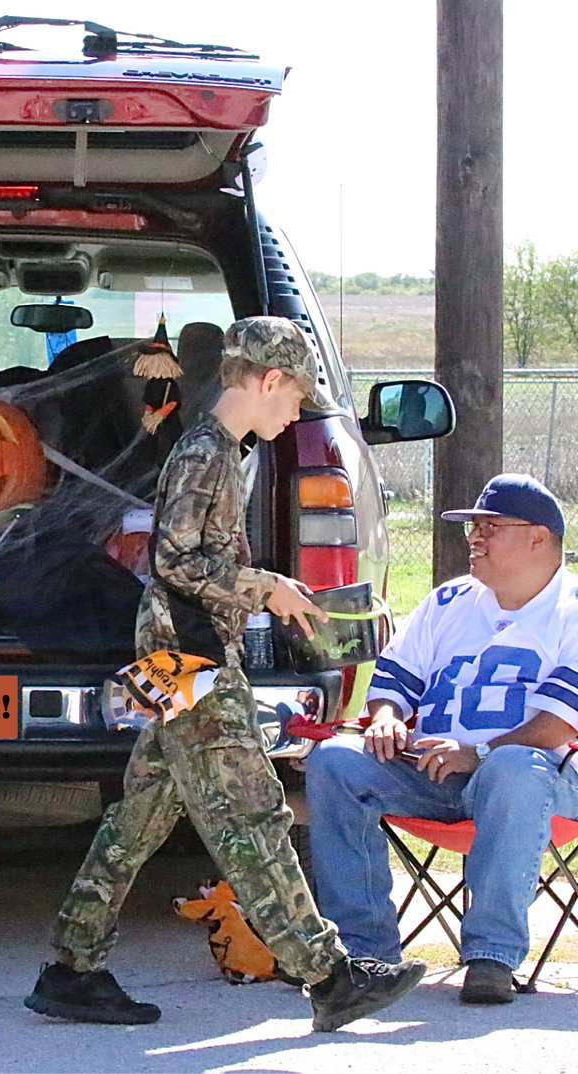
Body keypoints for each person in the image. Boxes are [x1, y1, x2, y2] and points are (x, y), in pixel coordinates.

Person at [24, 316, 425, 1032]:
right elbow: (174, 562)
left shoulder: (213, 448)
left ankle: (71, 965)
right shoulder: (208, 453)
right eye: (293, 399)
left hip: (185, 647)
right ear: (268, 381)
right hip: (194, 654)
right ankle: (329, 976)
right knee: (253, 809)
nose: (295, 414)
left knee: (143, 813)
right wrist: (263, 584)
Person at [306, 472, 578, 1005]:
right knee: (335, 760)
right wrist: (385, 717)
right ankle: (365, 957)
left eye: (490, 528)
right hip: (430, 773)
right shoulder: (449, 600)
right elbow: (393, 684)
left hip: (537, 785)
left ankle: (492, 956)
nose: (474, 538)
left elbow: (560, 723)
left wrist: (476, 754)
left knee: (515, 767)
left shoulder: (572, 611)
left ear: (538, 538)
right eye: (470, 529)